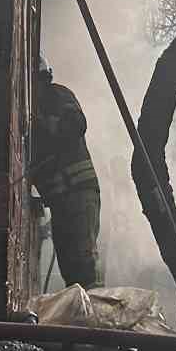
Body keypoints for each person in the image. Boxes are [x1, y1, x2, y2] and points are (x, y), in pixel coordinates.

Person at [30, 60, 103, 289]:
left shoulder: (57, 95)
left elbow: (77, 124)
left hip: (79, 194)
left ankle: (94, 318)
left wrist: (48, 126)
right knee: (71, 274)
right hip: (61, 202)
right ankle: (78, 317)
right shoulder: (33, 108)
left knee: (84, 266)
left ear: (41, 78)